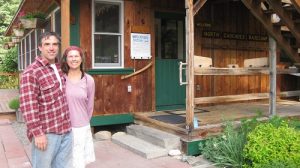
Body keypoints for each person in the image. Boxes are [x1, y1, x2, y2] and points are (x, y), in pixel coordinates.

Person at [19, 32, 72, 168]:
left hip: (65, 130)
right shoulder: (32, 72)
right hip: (47, 133)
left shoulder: (61, 68)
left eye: (55, 44)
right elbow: (28, 105)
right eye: (47, 44)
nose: (51, 48)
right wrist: (37, 133)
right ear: (40, 47)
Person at [61, 46, 95, 168]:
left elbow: (90, 105)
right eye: (70, 56)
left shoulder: (88, 80)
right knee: (63, 158)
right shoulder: (61, 79)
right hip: (62, 126)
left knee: (78, 159)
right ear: (66, 59)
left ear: (81, 59)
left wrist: (85, 122)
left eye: (76, 56)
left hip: (80, 126)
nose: (73, 59)